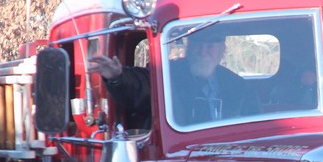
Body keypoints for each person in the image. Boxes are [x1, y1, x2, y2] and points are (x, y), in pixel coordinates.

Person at [88, 31, 261, 128]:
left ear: (223, 50)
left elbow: (254, 125)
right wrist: (117, 77)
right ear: (188, 48)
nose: (203, 52)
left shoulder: (237, 85)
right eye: (198, 46)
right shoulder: (167, 74)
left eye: (210, 47)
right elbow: (140, 87)